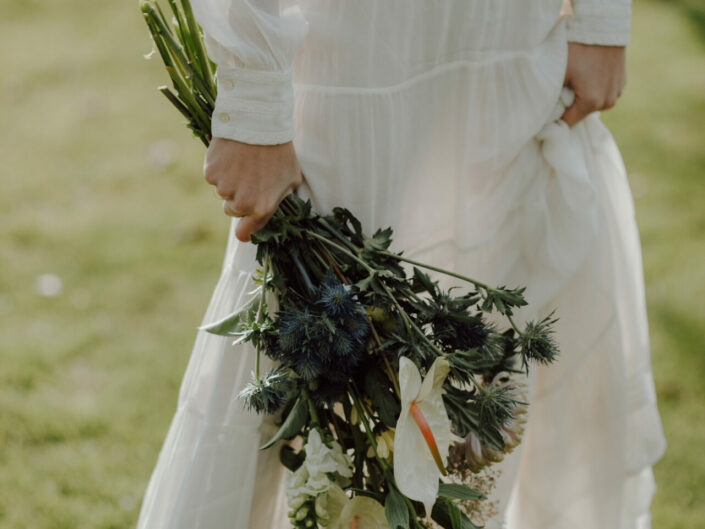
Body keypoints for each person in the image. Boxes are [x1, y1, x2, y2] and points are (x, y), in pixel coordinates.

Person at [135, 1, 666, 528]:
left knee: (493, 364)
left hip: (511, 48)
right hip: (358, 56)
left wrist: (602, 18)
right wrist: (252, 104)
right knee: (316, 378)